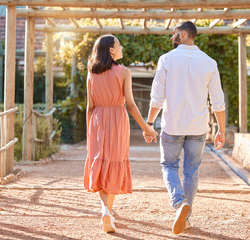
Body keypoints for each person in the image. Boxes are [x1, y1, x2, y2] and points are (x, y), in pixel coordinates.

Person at [144, 21, 226, 235]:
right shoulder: (209, 62)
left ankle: (179, 203)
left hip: (172, 125)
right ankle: (186, 218)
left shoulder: (167, 60)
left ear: (182, 34)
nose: (172, 36)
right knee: (191, 172)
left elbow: (157, 98)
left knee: (169, 166)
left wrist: (150, 123)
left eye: (174, 33)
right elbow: (218, 101)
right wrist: (222, 130)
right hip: (198, 127)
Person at [84, 35, 157, 233]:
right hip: (117, 119)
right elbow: (131, 105)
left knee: (99, 163)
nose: (122, 47)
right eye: (119, 45)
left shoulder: (91, 74)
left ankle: (105, 209)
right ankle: (107, 211)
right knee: (114, 162)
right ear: (111, 50)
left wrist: (88, 132)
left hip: (97, 120)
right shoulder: (124, 72)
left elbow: (89, 107)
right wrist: (146, 128)